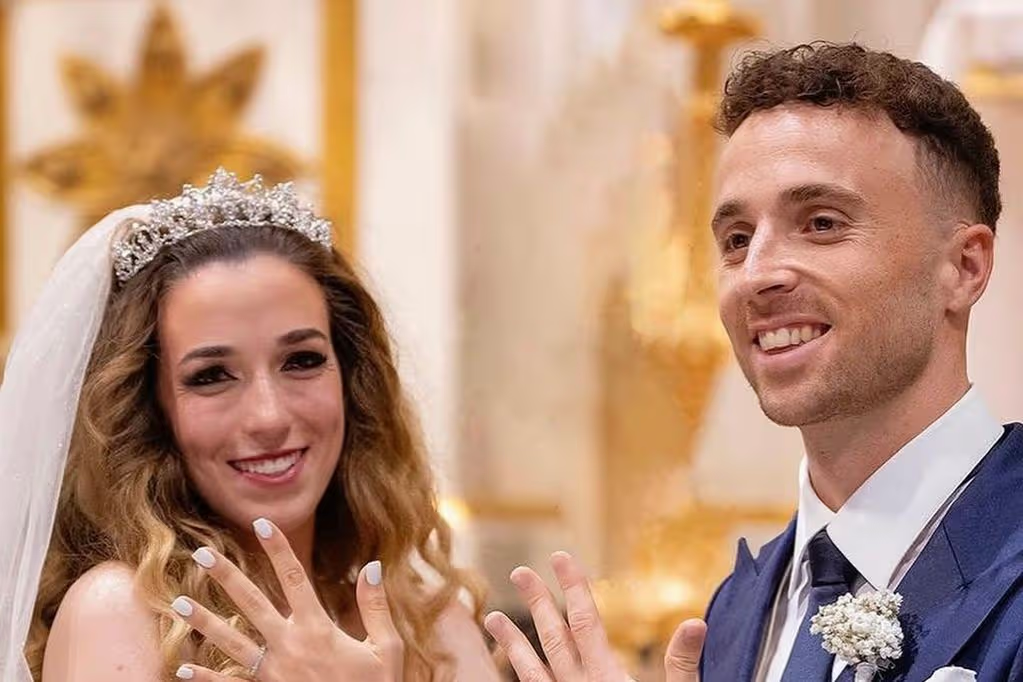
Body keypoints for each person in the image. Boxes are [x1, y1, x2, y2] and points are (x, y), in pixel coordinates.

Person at [485, 42, 1023, 681]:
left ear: (962, 267)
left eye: (821, 223)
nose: (756, 274)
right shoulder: (735, 611)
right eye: (737, 240)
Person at [0, 169, 500, 681]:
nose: (269, 417)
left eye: (302, 361)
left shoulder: (430, 625)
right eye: (211, 376)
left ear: (353, 382)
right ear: (151, 411)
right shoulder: (121, 613)